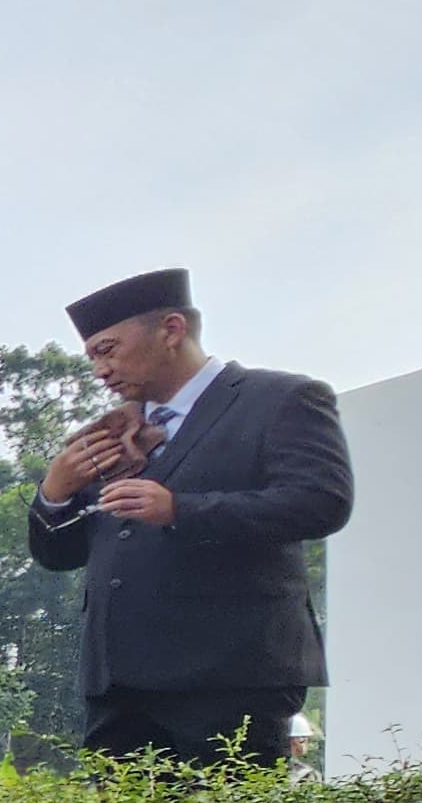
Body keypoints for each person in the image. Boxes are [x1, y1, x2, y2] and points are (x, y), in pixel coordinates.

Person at [29, 268, 351, 769]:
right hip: (119, 686)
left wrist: (179, 509)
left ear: (172, 330)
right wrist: (54, 491)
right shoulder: (114, 434)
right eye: (91, 355)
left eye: (107, 350)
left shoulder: (281, 401)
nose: (99, 370)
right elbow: (58, 555)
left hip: (231, 675)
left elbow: (321, 502)